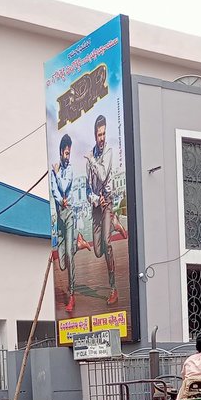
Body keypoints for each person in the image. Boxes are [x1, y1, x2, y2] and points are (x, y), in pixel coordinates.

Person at [85, 114, 119, 307]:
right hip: (97, 206)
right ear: (94, 135)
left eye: (104, 133)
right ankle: (115, 223)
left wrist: (92, 161)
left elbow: (103, 173)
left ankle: (113, 288)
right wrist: (95, 199)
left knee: (107, 244)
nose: (102, 137)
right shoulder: (90, 157)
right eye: (99, 134)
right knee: (98, 251)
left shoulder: (108, 151)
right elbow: (88, 189)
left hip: (108, 204)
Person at [51, 134, 81, 315]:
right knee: (62, 264)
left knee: (69, 255)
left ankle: (72, 294)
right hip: (60, 222)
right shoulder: (55, 169)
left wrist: (56, 174)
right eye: (66, 153)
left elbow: (63, 185)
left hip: (69, 216)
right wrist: (60, 199)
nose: (68, 156)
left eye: (70, 153)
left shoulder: (68, 170)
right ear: (61, 152)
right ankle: (78, 243)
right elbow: (55, 192)